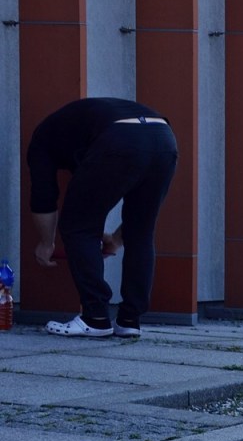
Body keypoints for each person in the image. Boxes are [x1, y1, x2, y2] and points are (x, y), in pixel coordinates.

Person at [26, 97, 179, 338]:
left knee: (78, 227)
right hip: (163, 136)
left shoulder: (42, 140)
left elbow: (44, 198)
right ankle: (130, 320)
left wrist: (46, 243)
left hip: (121, 137)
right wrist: (116, 240)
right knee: (141, 229)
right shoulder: (82, 124)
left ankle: (95, 317)